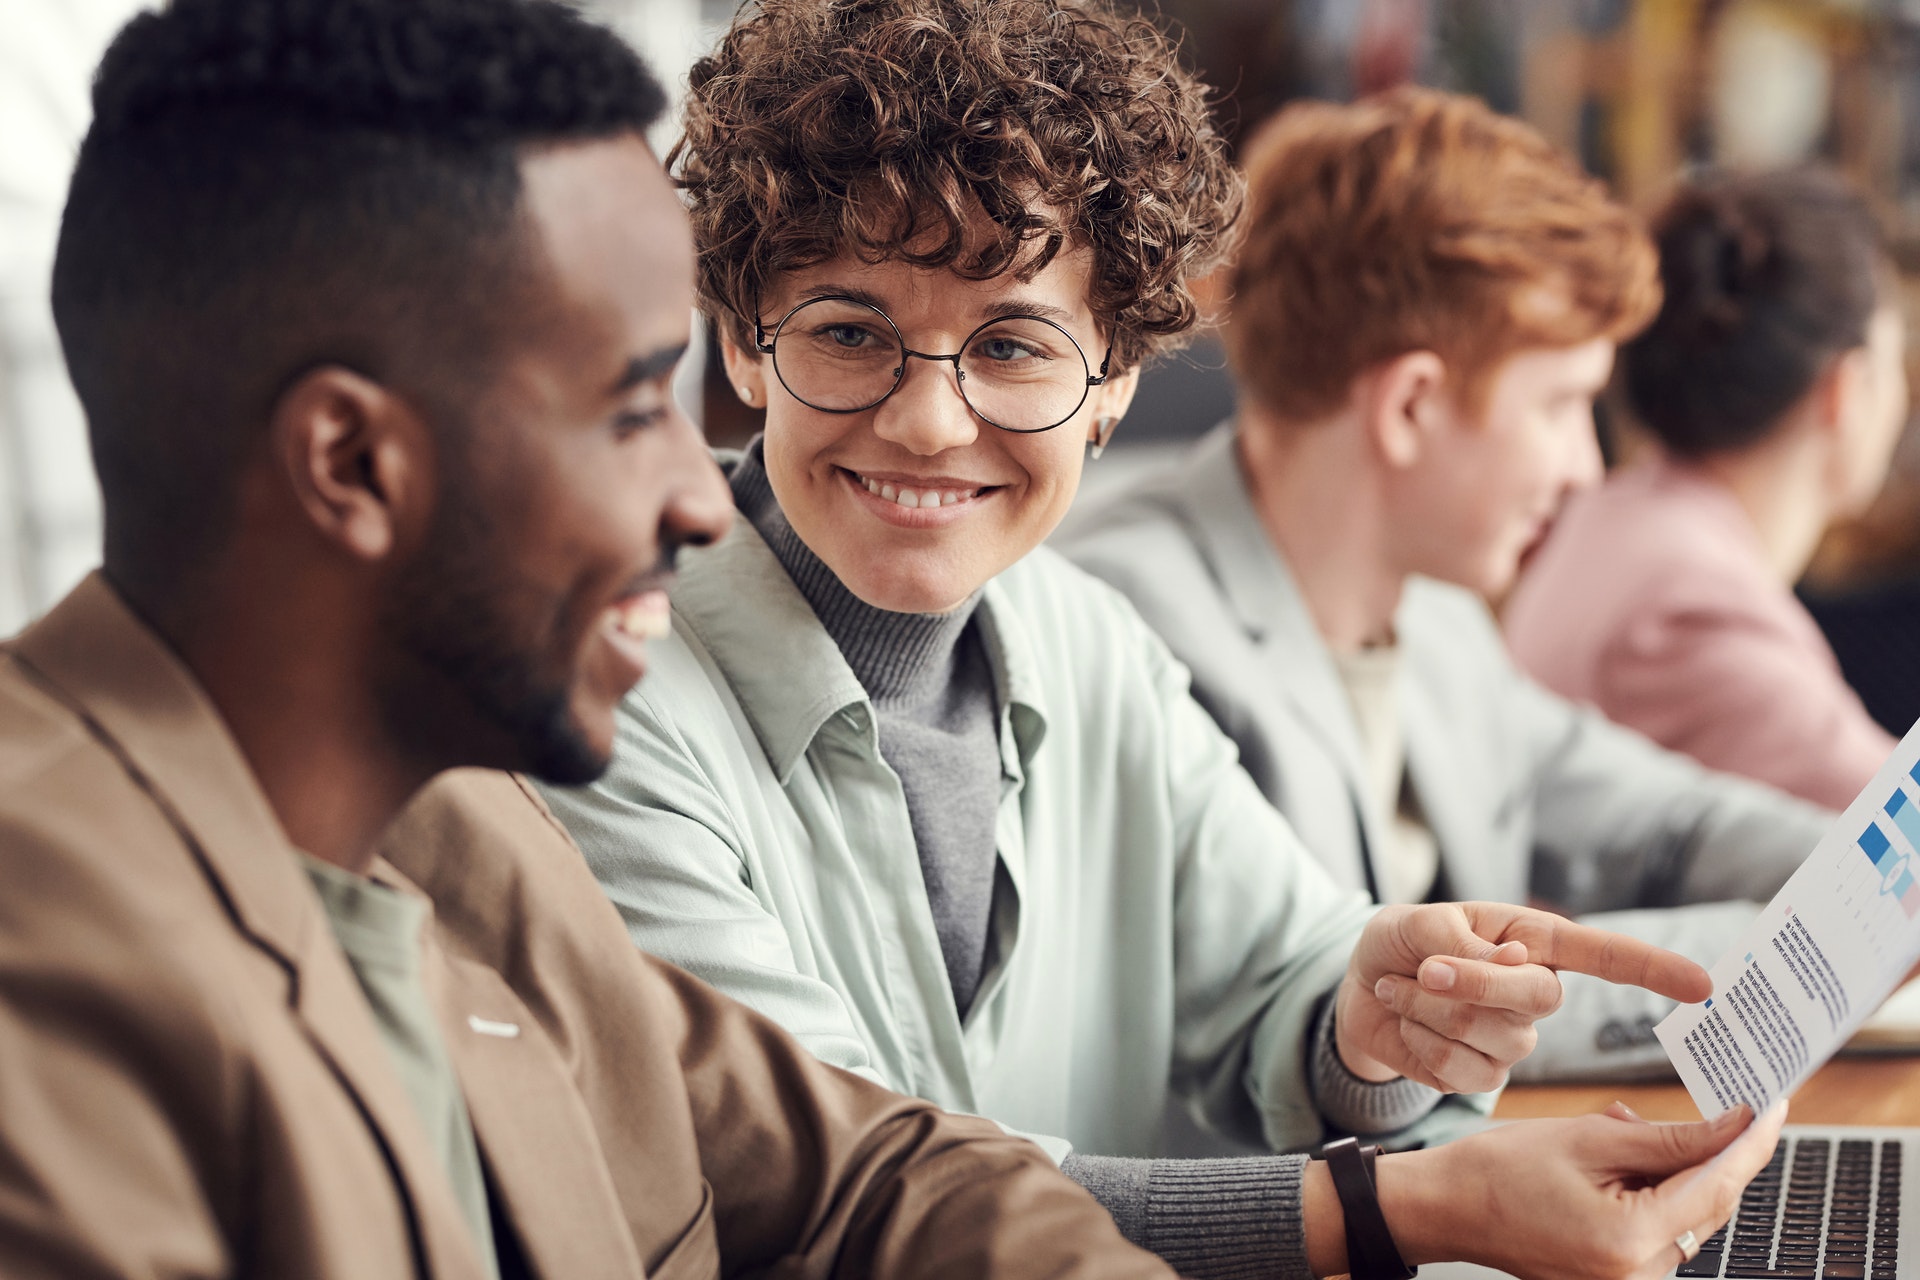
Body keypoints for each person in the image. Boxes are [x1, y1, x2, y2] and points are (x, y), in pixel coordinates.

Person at [437, 4, 1784, 1276]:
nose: (927, 423)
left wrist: (1365, 1023)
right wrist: (1386, 1208)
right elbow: (864, 1196)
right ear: (741, 348)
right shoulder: (606, 711)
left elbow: (1296, 978)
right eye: (850, 333)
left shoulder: (1083, 640)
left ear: (1116, 386)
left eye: (1015, 347)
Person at [0, 0, 1232, 1274]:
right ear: (354, 462)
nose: (704, 498)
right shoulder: (45, 981)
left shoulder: (470, 834)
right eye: (634, 406)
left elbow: (876, 1173)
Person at [1056, 87, 1834, 1084]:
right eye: (1560, 405)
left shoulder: (1434, 616)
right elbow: (1389, 1018)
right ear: (1413, 405)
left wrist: (1877, 884)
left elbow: (1670, 827)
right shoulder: (1128, 628)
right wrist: (1793, 961)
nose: (1584, 469)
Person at [1503, 167, 1909, 810]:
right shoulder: (1692, 610)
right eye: (1900, 362)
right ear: (1845, 391)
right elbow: (1897, 838)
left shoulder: (1622, 519)